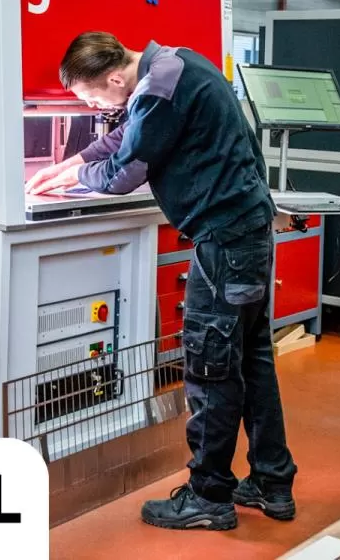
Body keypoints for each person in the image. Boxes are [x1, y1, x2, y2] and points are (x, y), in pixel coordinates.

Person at [26, 32, 297, 531]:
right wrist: (69, 165)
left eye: (92, 99)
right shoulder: (177, 64)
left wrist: (78, 179)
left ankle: (208, 497)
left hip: (224, 242)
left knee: (211, 370)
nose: (94, 109)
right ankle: (272, 482)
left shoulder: (157, 88)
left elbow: (124, 171)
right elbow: (129, 135)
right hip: (248, 235)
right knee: (252, 362)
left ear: (114, 79)